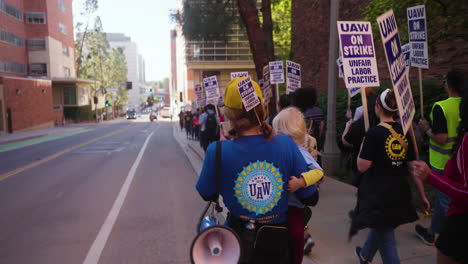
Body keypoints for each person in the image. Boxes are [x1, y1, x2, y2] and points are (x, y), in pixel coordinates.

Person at [196, 77, 319, 264]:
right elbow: (309, 196)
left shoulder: (217, 150)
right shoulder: (286, 144)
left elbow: (206, 192)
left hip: (237, 243)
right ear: (261, 107)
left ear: (229, 113)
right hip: (277, 245)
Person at [350, 89, 423, 264]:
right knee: (383, 226)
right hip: (399, 191)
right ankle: (365, 256)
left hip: (378, 194)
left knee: (386, 236)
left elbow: (362, 166)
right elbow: (413, 166)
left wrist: (362, 148)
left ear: (377, 107)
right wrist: (422, 194)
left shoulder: (373, 133)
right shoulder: (404, 131)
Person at [410, 81, 468, 264]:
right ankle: (431, 232)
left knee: (443, 202)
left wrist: (430, 177)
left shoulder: (440, 107)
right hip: (451, 171)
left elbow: (441, 138)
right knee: (443, 205)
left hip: (460, 219)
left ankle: (431, 233)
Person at [273, 107, 324, 262]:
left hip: (294, 206)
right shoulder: (277, 149)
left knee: (296, 235)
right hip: (279, 206)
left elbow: (318, 172)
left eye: (277, 133)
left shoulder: (300, 152)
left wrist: (301, 182)